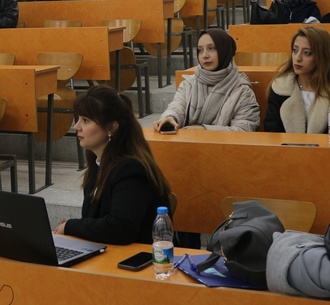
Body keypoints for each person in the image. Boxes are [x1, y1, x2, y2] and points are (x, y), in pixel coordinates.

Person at [55, 86, 171, 245]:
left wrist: (71, 227)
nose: (76, 127)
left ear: (111, 128)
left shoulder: (131, 169)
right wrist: (75, 230)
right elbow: (95, 220)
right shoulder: (98, 163)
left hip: (143, 256)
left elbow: (120, 229)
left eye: (85, 120)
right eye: (79, 119)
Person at [153, 28, 259, 132]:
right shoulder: (188, 84)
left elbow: (244, 129)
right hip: (187, 142)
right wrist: (170, 117)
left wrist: (204, 130)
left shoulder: (242, 91)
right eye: (200, 50)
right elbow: (177, 106)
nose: (205, 55)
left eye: (211, 48)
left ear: (224, 51)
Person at [264, 26, 330, 134]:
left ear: (322, 56)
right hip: (286, 145)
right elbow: (272, 130)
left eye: (307, 53)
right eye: (295, 50)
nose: (297, 58)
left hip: (326, 145)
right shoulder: (280, 86)